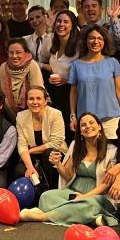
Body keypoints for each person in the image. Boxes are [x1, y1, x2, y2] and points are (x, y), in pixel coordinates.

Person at [19, 112, 118, 227]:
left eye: (91, 123)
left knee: (89, 205)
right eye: (83, 125)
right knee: (46, 197)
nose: (88, 126)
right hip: (73, 192)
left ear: (99, 126)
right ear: (80, 131)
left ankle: (42, 216)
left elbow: (107, 183)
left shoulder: (111, 150)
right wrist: (58, 164)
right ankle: (91, 218)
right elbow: (68, 176)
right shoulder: (75, 146)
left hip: (97, 196)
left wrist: (85, 197)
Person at [68, 24, 120, 140]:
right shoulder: (76, 65)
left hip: (111, 119)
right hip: (86, 121)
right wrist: (73, 116)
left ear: (105, 42)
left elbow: (119, 91)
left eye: (100, 38)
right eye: (92, 38)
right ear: (86, 41)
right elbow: (73, 93)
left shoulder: (112, 62)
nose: (95, 41)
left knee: (112, 154)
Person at [15, 85, 65, 193]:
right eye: (31, 99)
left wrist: (31, 150)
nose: (34, 102)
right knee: (20, 170)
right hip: (33, 156)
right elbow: (22, 144)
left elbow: (55, 143)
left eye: (38, 98)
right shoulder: (21, 116)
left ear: (45, 101)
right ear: (27, 101)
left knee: (49, 153)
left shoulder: (55, 114)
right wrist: (29, 167)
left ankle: (52, 192)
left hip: (55, 153)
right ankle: (32, 199)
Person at [46, 10, 79, 144]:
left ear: (72, 25)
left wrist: (66, 80)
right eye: (59, 21)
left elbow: (82, 72)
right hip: (55, 93)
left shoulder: (79, 47)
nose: (61, 24)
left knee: (69, 131)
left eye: (66, 22)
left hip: (71, 93)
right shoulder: (53, 44)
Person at [0, 38, 44, 115]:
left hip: (34, 111)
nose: (14, 56)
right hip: (10, 112)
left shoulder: (32, 65)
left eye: (18, 52)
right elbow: (4, 94)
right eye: (11, 53)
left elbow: (37, 93)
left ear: (26, 52)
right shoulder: (3, 67)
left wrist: (24, 119)